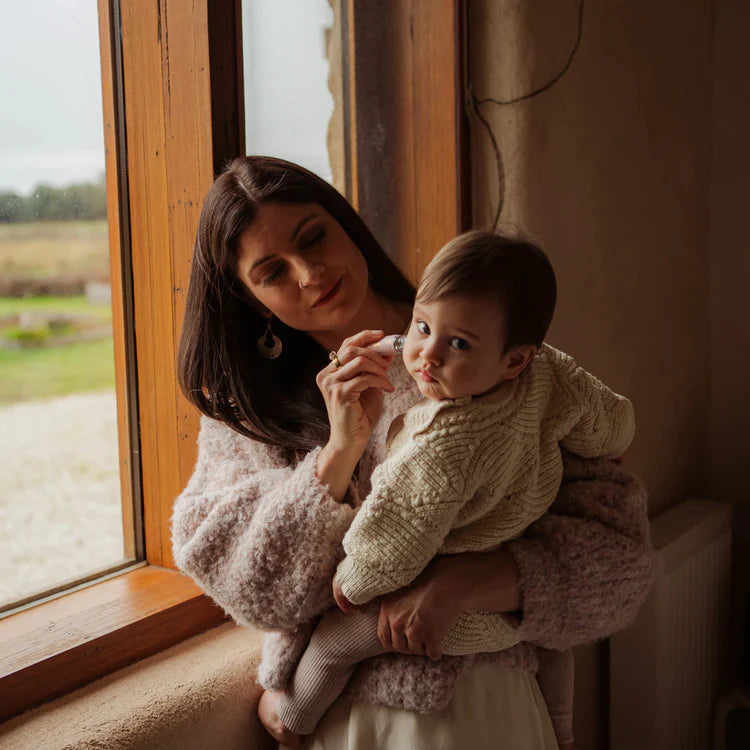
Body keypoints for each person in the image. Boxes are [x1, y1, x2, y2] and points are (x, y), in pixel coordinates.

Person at [171, 155, 653, 750]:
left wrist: (468, 584)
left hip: (485, 709)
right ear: (253, 301)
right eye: (273, 271)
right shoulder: (248, 415)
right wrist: (339, 452)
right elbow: (255, 592)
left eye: (314, 237)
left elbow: (622, 563)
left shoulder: (487, 354)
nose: (311, 272)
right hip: (349, 724)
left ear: (347, 225)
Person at [258, 230, 635, 749]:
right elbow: (611, 419)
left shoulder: (448, 439)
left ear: (514, 359)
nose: (426, 358)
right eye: (421, 327)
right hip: (509, 597)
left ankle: (292, 723)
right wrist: (611, 441)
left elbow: (399, 524)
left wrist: (356, 580)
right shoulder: (551, 371)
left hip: (443, 623)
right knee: (552, 643)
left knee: (332, 646)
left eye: (457, 344)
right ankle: (565, 734)